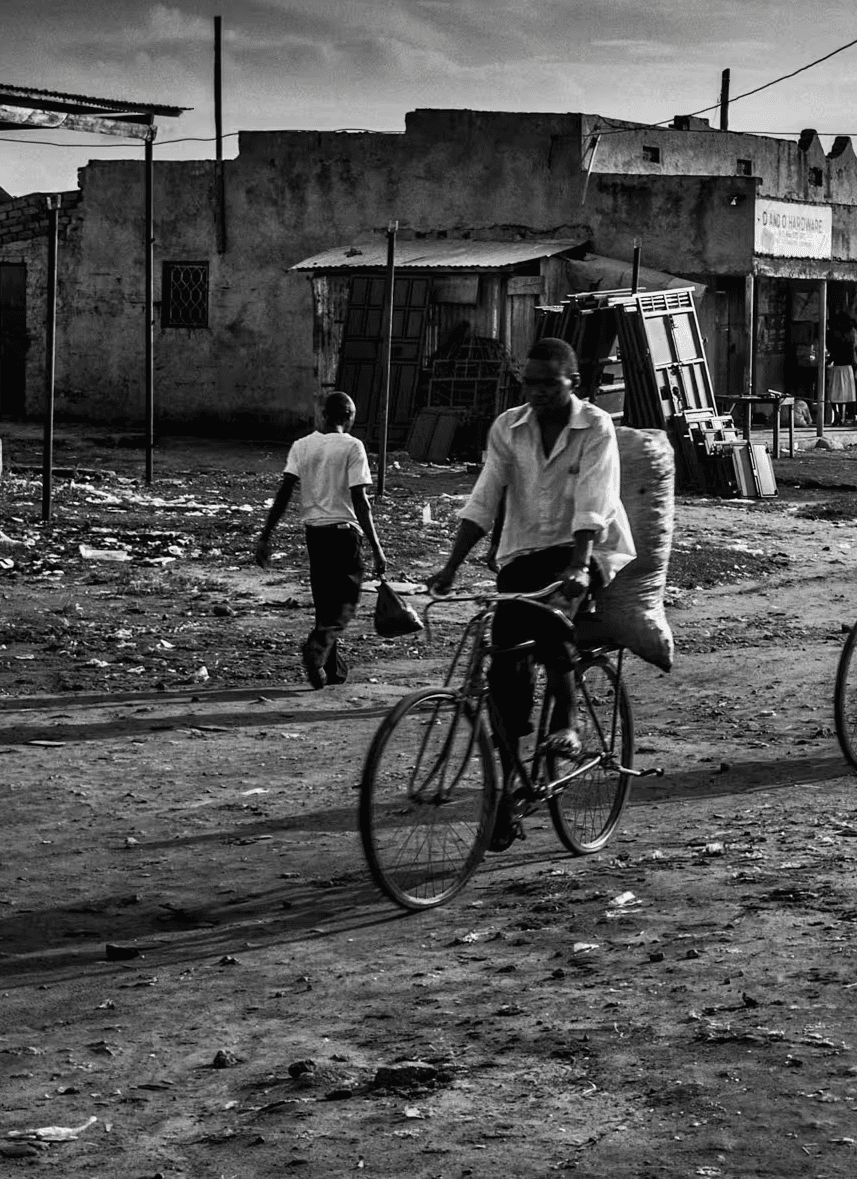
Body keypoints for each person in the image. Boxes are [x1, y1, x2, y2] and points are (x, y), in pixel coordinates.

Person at [428, 338, 634, 850]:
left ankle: (568, 721)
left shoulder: (596, 427)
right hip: (521, 554)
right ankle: (511, 786)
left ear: (573, 384)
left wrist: (581, 567)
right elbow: (485, 495)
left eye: (550, 383)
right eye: (531, 383)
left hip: (584, 552)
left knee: (549, 618)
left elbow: (594, 499)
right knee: (503, 670)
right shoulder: (508, 427)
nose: (538, 392)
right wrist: (451, 565)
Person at [254, 390, 389, 690]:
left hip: (314, 535)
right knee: (346, 604)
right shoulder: (353, 446)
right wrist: (377, 547)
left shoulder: (302, 446)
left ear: (323, 415)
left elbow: (284, 492)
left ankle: (330, 669)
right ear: (349, 417)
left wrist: (266, 535)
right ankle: (316, 649)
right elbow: (360, 500)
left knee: (325, 603)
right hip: (344, 534)